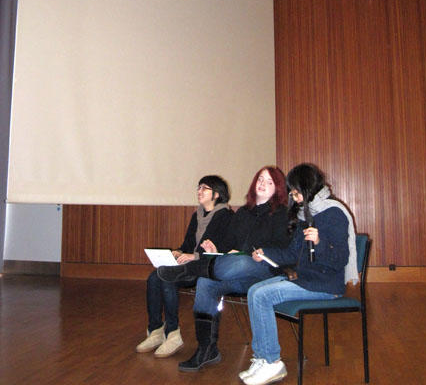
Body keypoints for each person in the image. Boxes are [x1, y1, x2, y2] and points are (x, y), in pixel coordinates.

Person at [158, 166, 290, 371]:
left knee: (242, 261)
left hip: (265, 272)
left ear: (278, 188)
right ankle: (207, 349)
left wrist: (263, 252)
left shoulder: (282, 214)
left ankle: (192, 269)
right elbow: (228, 245)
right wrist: (215, 250)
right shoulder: (243, 212)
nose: (262, 184)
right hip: (236, 273)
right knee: (206, 283)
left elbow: (285, 248)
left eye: (269, 182)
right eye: (260, 179)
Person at [238, 163, 359, 385]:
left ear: (308, 188)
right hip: (305, 279)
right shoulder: (304, 214)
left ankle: (272, 362)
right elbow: (292, 253)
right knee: (254, 290)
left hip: (326, 285)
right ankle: (262, 358)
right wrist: (266, 253)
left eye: (296, 192)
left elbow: (340, 260)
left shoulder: (334, 213)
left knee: (263, 295)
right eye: (292, 193)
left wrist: (319, 243)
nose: (294, 197)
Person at [135, 175, 233, 357]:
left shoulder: (225, 216)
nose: (199, 191)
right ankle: (156, 330)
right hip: (189, 263)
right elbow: (188, 243)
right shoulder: (197, 215)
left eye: (204, 188)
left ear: (217, 194)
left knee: (167, 278)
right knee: (153, 277)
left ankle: (173, 333)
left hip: (207, 266)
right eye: (198, 188)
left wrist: (193, 256)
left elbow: (222, 249)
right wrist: (179, 252)